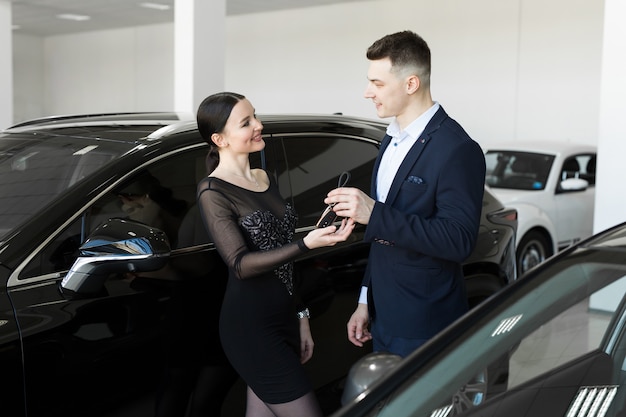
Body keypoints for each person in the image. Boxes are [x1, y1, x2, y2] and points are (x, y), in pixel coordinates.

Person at [325, 31, 486, 358]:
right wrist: (364, 300)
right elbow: (382, 232)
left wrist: (374, 213)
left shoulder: (457, 149)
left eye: (378, 84)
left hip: (425, 320)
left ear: (411, 84)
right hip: (383, 312)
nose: (367, 92)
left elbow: (458, 240)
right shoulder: (390, 139)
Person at [195, 91, 355, 417]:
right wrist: (306, 244)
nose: (259, 125)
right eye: (246, 122)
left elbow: (285, 260)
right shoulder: (213, 191)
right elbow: (240, 265)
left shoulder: (265, 178)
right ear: (219, 139)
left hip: (283, 317)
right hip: (250, 328)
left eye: (255, 116)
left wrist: (301, 315)